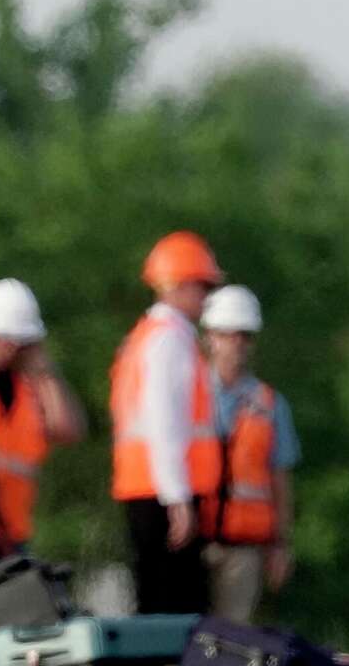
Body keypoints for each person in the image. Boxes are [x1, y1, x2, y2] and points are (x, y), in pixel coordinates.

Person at [109, 232, 225, 613]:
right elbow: (166, 423)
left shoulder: (144, 338)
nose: (205, 297)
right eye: (201, 286)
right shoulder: (170, 340)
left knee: (156, 598)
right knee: (176, 602)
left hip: (145, 487)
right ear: (179, 285)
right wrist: (177, 499)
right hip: (165, 492)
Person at [0, 279, 87, 554]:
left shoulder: (30, 385)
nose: (9, 348)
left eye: (18, 341)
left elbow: (68, 430)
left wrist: (46, 373)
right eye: (1, 338)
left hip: (12, 534)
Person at [198, 285, 299, 622]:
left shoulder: (270, 405)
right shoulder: (188, 393)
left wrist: (281, 545)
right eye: (228, 334)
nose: (237, 343)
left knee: (230, 640)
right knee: (180, 639)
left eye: (245, 335)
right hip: (191, 539)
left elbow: (280, 479)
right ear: (210, 336)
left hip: (244, 549)